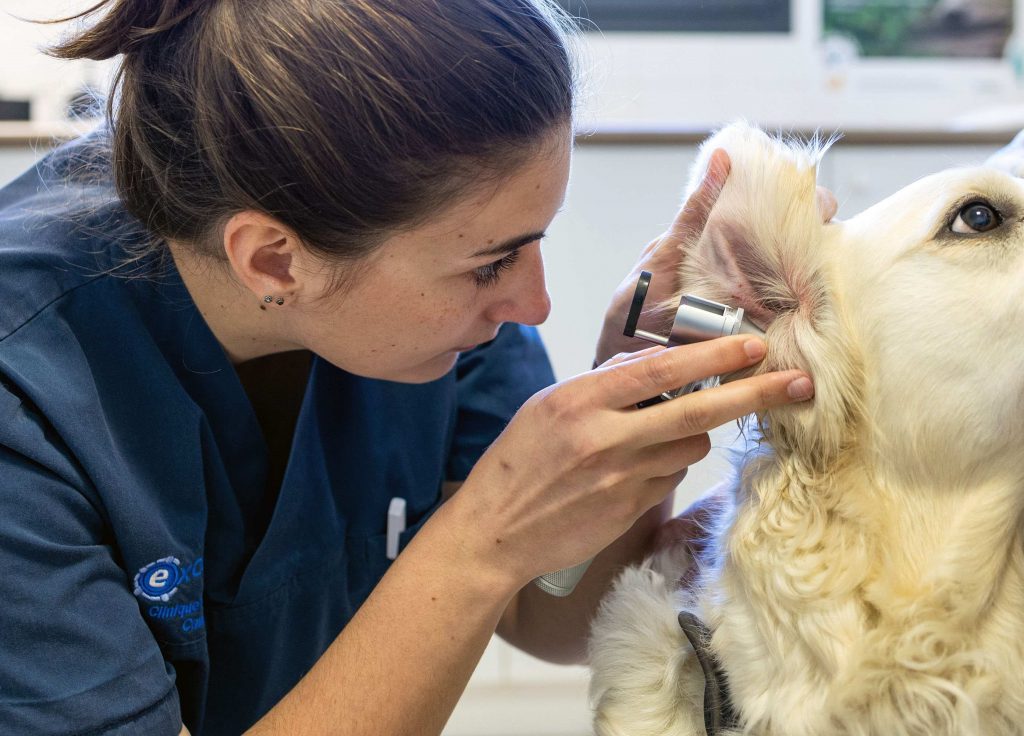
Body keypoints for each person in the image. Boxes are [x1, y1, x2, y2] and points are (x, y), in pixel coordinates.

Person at [0, 1, 819, 734]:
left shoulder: (439, 331)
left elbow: (550, 615)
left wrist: (635, 403)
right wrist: (477, 542)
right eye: (491, 264)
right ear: (276, 262)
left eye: (536, 241)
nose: (533, 305)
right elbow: (485, 568)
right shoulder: (26, 398)